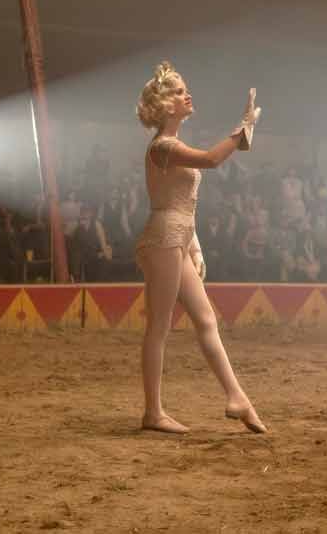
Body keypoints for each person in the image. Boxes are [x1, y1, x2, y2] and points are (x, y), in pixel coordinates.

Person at [133, 61, 265, 435]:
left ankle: (237, 397)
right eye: (177, 91)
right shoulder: (162, 146)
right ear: (164, 105)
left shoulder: (173, 145)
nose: (186, 95)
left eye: (184, 89)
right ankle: (153, 412)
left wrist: (195, 245)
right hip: (162, 240)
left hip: (178, 238)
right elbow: (210, 161)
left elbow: (182, 202)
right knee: (159, 327)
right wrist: (243, 128)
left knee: (206, 319)